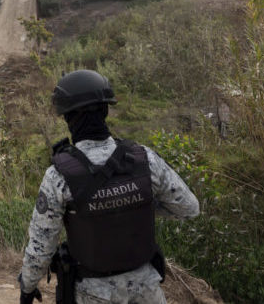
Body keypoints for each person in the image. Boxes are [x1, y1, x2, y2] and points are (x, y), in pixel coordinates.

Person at [18, 70, 200, 304]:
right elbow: (189, 208)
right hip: (148, 292)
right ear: (105, 110)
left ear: (68, 118)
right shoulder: (145, 159)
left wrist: (27, 286)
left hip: (93, 295)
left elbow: (41, 245)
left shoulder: (58, 176)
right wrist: (137, 202)